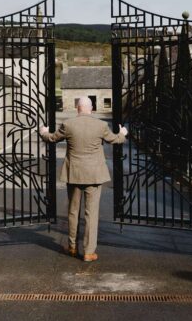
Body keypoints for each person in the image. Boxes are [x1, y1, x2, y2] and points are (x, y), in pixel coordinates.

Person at [39, 96, 128, 262]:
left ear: (76, 107)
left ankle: (72, 247)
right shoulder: (101, 125)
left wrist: (44, 132)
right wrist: (122, 133)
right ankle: (88, 252)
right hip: (94, 175)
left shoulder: (68, 124)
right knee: (91, 213)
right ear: (91, 108)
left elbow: (52, 138)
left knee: (73, 212)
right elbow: (115, 140)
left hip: (74, 174)